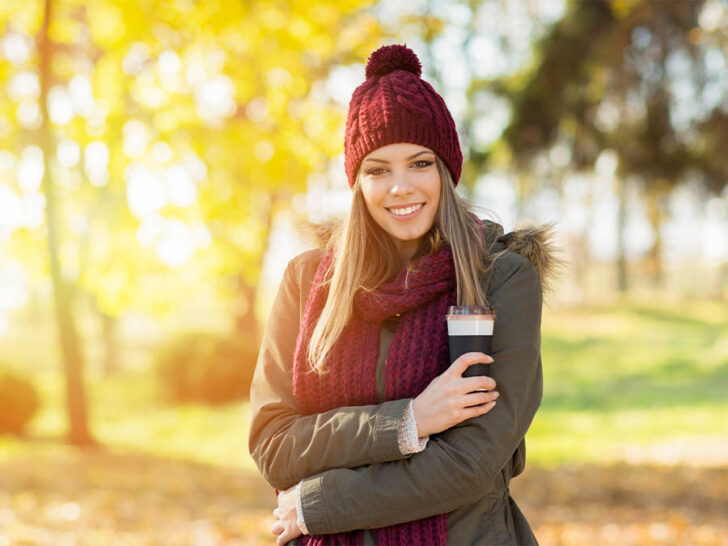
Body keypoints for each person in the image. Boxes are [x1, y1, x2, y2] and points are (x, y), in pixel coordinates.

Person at [249, 44, 556, 545]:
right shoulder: (307, 283)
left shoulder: (502, 279)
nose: (400, 187)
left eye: (419, 163)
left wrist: (319, 503)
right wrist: (407, 421)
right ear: (357, 182)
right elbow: (274, 445)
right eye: (377, 169)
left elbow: (470, 463)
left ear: (446, 171)